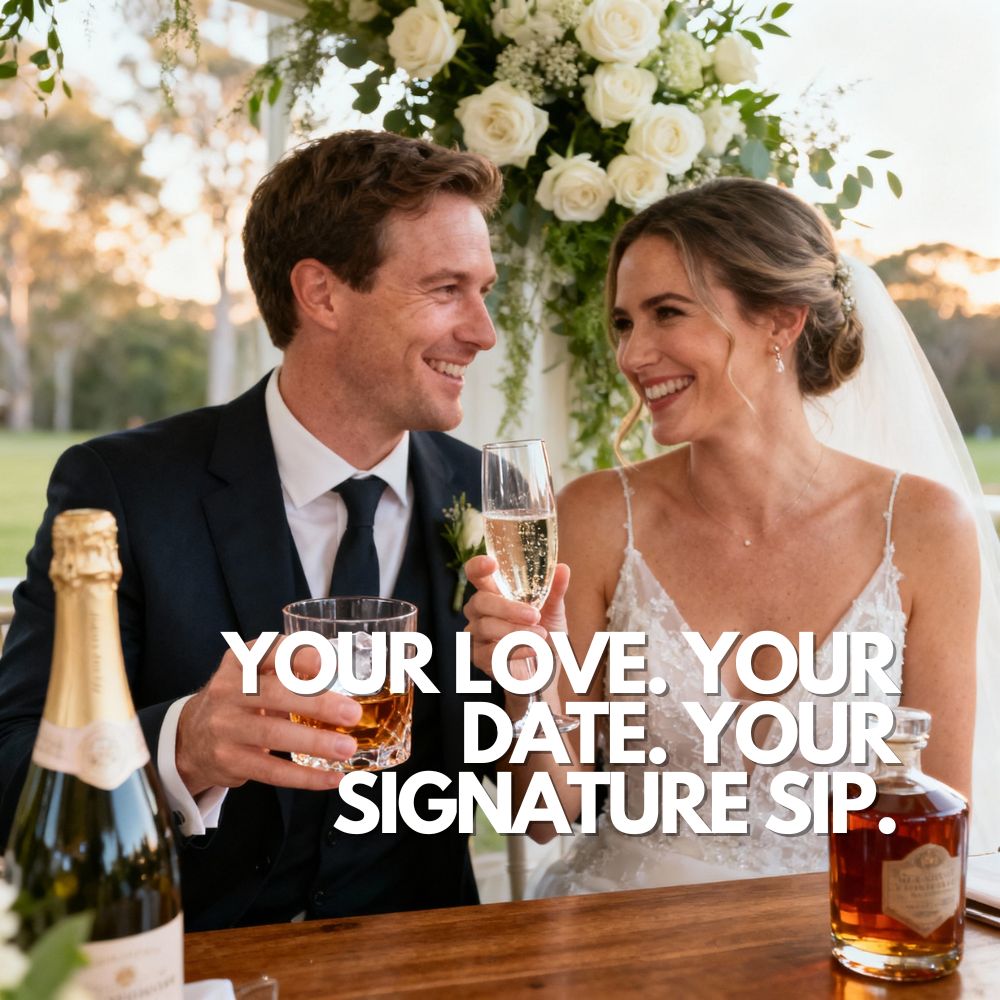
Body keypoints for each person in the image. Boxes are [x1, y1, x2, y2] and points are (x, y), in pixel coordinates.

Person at [0, 130, 505, 928]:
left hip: (423, 962)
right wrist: (181, 747)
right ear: (322, 294)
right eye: (446, 289)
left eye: (484, 291)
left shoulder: (485, 497)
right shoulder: (122, 489)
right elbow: (13, 764)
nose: (483, 332)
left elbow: (540, 796)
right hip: (186, 961)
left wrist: (534, 682)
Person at [464, 177, 1000, 894]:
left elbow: (931, 831)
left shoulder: (927, 529)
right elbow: (544, 814)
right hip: (621, 939)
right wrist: (526, 688)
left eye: (667, 313)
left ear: (781, 321)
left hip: (833, 945)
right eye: (625, 323)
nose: (631, 354)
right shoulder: (594, 516)